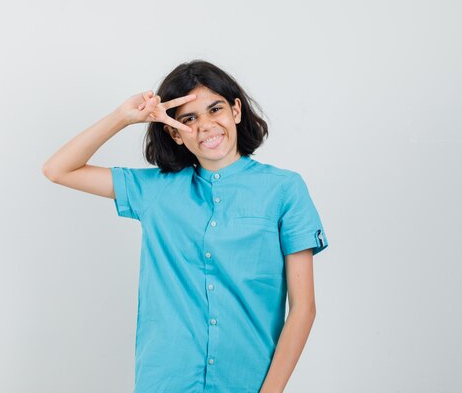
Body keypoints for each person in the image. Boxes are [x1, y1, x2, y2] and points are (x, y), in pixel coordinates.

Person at [42, 60, 329, 393]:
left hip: (246, 382)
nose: (205, 126)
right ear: (174, 133)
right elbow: (58, 169)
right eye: (189, 118)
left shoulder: (284, 190)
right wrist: (123, 116)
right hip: (166, 382)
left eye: (215, 109)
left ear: (236, 111)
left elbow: (304, 308)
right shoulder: (154, 190)